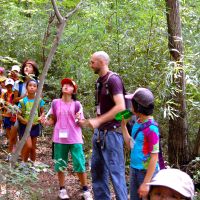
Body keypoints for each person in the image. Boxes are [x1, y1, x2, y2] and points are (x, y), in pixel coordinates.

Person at [79, 51, 128, 200]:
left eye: (92, 62)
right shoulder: (99, 82)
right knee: (98, 172)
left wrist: (100, 121)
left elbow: (121, 108)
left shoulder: (114, 80)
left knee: (116, 173)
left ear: (102, 62)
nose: (90, 64)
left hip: (112, 134)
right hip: (99, 134)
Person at [41, 78, 92, 200]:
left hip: (75, 138)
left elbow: (81, 123)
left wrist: (80, 119)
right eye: (64, 84)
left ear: (74, 90)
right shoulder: (55, 103)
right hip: (59, 138)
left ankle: (85, 190)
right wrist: (45, 122)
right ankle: (62, 189)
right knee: (60, 164)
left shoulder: (77, 104)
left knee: (79, 164)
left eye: (69, 85)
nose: (66, 86)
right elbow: (53, 120)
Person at [121, 88, 160, 200]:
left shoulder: (152, 129)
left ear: (138, 107)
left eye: (132, 103)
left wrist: (146, 183)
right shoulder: (138, 123)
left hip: (146, 173)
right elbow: (131, 146)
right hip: (134, 170)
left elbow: (154, 157)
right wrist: (123, 126)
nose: (130, 105)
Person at [10, 59, 39, 154]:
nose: (27, 67)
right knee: (13, 134)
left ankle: (24, 160)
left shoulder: (37, 83)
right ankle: (10, 154)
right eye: (26, 66)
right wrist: (24, 96)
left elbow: (40, 100)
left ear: (34, 71)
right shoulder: (18, 83)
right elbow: (14, 100)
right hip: (19, 112)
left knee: (28, 141)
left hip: (32, 114)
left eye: (30, 66)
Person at [17, 79, 44, 164]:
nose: (32, 87)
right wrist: (25, 121)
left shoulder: (39, 100)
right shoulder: (22, 101)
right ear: (26, 87)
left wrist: (41, 117)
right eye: (30, 85)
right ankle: (23, 163)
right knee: (29, 145)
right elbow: (18, 115)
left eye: (34, 86)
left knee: (33, 147)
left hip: (35, 126)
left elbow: (42, 112)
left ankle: (32, 164)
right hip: (25, 127)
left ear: (37, 88)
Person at [1, 78, 15, 156]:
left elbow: (15, 104)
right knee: (7, 131)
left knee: (12, 132)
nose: (9, 87)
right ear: (6, 86)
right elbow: (2, 103)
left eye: (10, 86)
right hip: (6, 115)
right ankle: (10, 145)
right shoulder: (4, 94)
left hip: (13, 116)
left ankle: (12, 146)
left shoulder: (14, 94)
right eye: (8, 86)